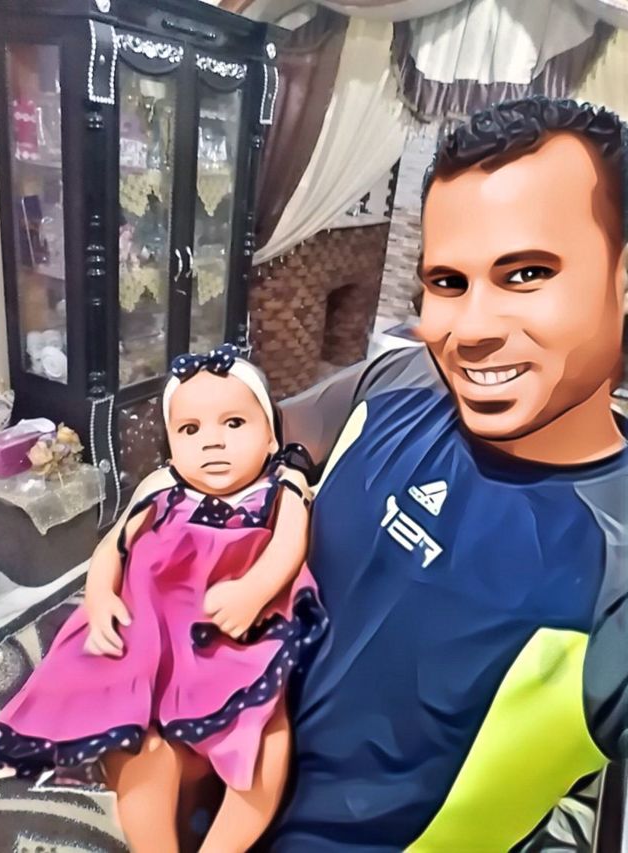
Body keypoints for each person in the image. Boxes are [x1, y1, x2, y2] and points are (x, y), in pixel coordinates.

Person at [257, 96, 626, 851]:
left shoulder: (615, 564)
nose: (471, 330)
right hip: (216, 788)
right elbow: (258, 430)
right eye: (449, 282)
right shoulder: (401, 379)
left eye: (526, 273)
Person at [0, 344, 327, 853]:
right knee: (140, 747)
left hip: (232, 638)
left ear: (271, 436)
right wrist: (100, 595)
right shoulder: (161, 484)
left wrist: (255, 589)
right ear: (171, 445)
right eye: (190, 429)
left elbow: (289, 543)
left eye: (234, 423)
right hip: (147, 631)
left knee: (265, 739)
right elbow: (113, 545)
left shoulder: (280, 489)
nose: (212, 441)